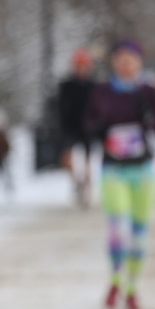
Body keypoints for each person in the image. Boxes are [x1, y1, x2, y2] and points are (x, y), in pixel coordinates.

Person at [83, 38, 155, 309]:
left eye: (131, 58)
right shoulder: (102, 91)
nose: (125, 63)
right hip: (114, 169)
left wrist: (151, 123)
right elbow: (89, 123)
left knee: (140, 232)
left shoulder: (150, 92)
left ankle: (133, 289)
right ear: (114, 62)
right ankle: (115, 281)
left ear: (140, 62)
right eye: (120, 58)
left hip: (142, 170)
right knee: (117, 227)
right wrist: (102, 127)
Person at [57, 47, 97, 207]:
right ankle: (77, 181)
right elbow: (60, 107)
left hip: (88, 127)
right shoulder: (66, 85)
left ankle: (86, 186)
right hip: (70, 126)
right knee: (66, 158)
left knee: (87, 160)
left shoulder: (93, 85)